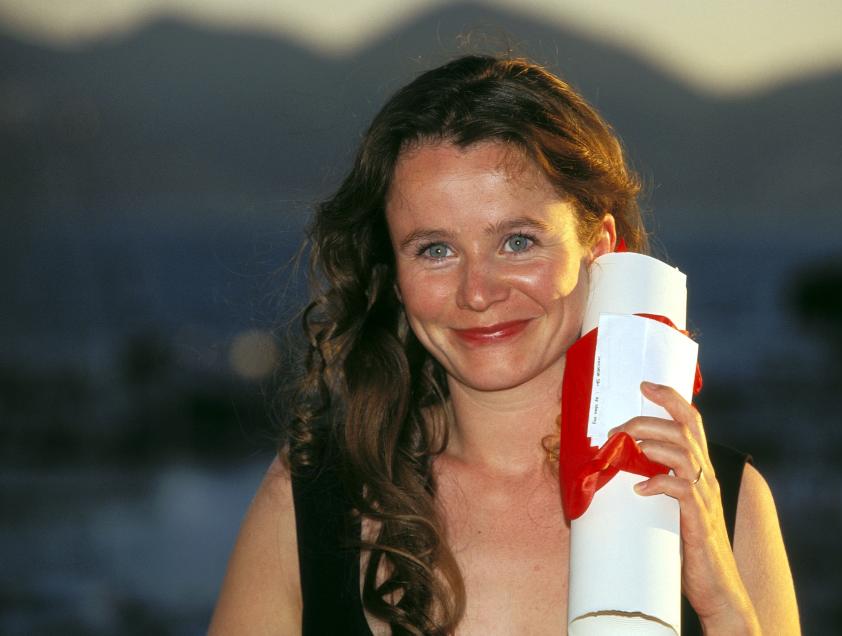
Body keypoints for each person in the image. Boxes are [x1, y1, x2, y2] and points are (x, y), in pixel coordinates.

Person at [209, 54, 800, 635]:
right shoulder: (313, 498)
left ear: (599, 247)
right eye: (434, 249)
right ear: (392, 270)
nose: (477, 293)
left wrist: (725, 612)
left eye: (517, 241)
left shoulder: (717, 501)